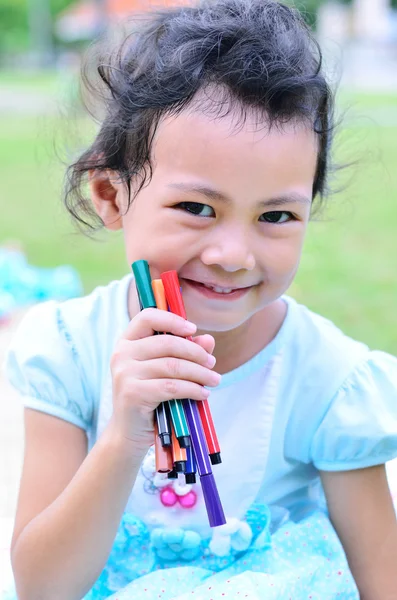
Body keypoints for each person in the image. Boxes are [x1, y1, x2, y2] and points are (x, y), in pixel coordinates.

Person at [3, 0, 397, 598]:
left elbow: (382, 579)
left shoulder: (326, 378)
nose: (234, 253)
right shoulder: (68, 350)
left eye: (276, 215)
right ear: (112, 195)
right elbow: (41, 586)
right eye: (197, 208)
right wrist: (122, 437)